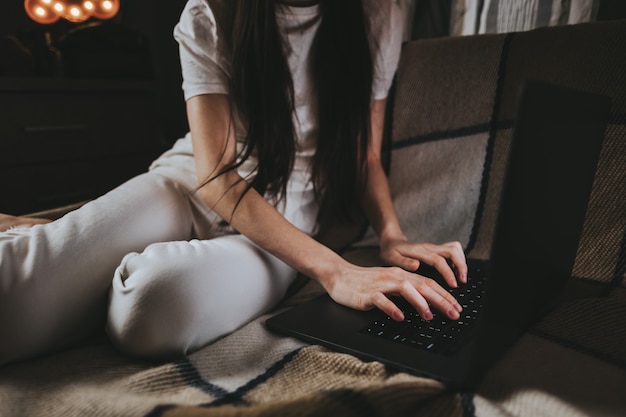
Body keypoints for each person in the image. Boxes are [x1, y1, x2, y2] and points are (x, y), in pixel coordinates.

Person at [0, 0, 466, 366]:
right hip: (190, 183)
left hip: (284, 223)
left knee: (148, 313)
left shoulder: (378, 13)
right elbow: (217, 173)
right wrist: (335, 270)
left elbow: (365, 154)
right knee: (13, 305)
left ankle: (71, 255)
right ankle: (51, 247)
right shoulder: (211, 11)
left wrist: (391, 235)